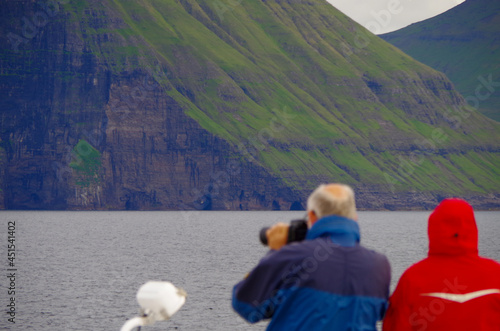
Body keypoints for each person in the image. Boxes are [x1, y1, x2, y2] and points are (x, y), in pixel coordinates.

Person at [232, 183, 391, 330]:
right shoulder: (379, 265)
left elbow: (245, 304)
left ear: (312, 216)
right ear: (354, 217)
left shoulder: (292, 257)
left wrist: (275, 251)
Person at [383, 198, 500, 331]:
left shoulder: (412, 279)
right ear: (472, 227)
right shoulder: (496, 275)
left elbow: (395, 325)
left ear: (433, 227)